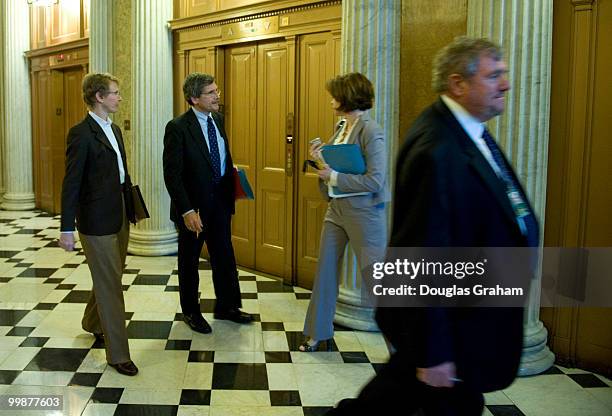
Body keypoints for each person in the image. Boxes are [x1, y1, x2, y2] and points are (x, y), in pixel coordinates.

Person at [326, 37, 539, 415]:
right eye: (494, 76)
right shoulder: (437, 147)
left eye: (503, 74)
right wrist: (435, 351)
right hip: (449, 326)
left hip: (463, 319)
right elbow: (424, 253)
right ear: (458, 84)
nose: (505, 84)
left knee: (391, 398)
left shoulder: (469, 130)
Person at [299, 72, 390, 352]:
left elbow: (375, 180)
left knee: (378, 281)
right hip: (337, 209)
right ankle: (318, 333)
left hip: (365, 213)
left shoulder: (371, 130)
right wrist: (319, 158)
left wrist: (333, 177)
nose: (331, 100)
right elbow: (337, 167)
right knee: (325, 269)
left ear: (347, 97)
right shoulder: (341, 127)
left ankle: (404, 351)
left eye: (334, 94)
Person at [59, 73, 138, 376]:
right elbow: (71, 183)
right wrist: (67, 227)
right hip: (95, 220)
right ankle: (118, 354)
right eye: (115, 93)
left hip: (119, 211)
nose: (120, 97)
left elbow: (120, 174)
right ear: (99, 97)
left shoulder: (114, 129)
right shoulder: (80, 134)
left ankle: (92, 322)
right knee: (111, 285)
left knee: (110, 275)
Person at [163, 72, 252, 334]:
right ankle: (191, 311)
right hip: (194, 209)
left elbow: (220, 156)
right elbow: (172, 174)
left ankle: (228, 306)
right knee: (189, 260)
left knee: (224, 255)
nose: (217, 96)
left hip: (221, 204)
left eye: (217, 90)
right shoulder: (178, 127)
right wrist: (187, 210)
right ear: (194, 98)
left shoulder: (219, 120)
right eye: (211, 93)